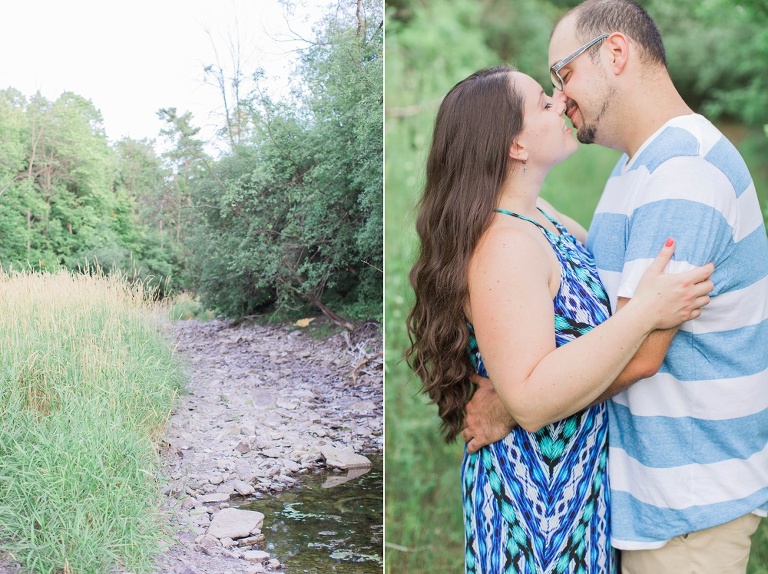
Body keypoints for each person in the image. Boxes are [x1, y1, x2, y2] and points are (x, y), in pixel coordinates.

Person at [462, 1, 768, 572]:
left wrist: (514, 402)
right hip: (637, 501)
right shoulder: (636, 168)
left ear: (616, 54)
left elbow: (643, 351)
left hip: (686, 511)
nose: (562, 96)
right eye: (550, 86)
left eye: (564, 74)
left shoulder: (684, 174)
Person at [405, 64, 714, 573]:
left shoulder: (540, 216)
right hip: (533, 506)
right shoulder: (504, 246)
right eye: (543, 104)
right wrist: (645, 315)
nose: (560, 101)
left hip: (576, 485)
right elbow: (527, 400)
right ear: (516, 146)